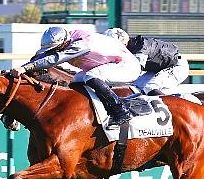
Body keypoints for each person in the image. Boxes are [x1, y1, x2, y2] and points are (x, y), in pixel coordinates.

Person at [10, 26, 141, 129]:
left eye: (55, 49)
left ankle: (121, 111)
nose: (52, 51)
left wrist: (25, 68)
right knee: (75, 80)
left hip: (127, 66)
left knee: (91, 76)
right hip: (108, 64)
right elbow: (43, 56)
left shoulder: (80, 45)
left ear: (63, 44)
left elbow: (54, 59)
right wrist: (22, 67)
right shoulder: (65, 40)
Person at [103, 28, 189, 96]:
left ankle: (170, 108)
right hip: (160, 68)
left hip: (176, 66)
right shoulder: (130, 47)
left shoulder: (141, 49)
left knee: (150, 87)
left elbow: (134, 72)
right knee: (136, 87)